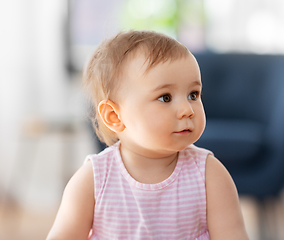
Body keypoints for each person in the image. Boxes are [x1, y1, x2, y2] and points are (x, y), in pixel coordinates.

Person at [46, 30, 249, 240]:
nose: (187, 109)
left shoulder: (208, 175)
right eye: (165, 97)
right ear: (114, 116)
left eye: (193, 94)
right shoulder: (94, 180)